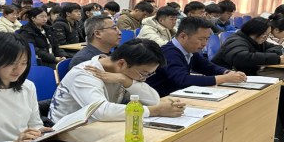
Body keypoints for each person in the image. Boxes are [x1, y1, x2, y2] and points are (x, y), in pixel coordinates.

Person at [49, 39, 186, 124]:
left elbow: (153, 100)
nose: (144, 79)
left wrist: (125, 80)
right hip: (66, 131)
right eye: (143, 73)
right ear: (121, 63)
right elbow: (101, 111)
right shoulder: (85, 73)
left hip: (98, 125)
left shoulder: (122, 73)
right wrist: (156, 111)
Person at [147, 17, 247, 97]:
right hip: (160, 99)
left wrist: (227, 72)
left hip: (177, 96)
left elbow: (207, 67)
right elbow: (183, 80)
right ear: (183, 36)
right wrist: (224, 78)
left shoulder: (190, 50)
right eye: (201, 39)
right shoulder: (168, 53)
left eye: (207, 39)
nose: (205, 44)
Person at [211, 17, 284, 75]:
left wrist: (266, 55)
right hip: (224, 75)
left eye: (267, 35)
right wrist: (274, 58)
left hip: (242, 74)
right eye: (264, 35)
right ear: (254, 32)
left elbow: (278, 48)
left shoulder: (256, 40)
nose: (265, 38)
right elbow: (242, 58)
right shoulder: (236, 41)